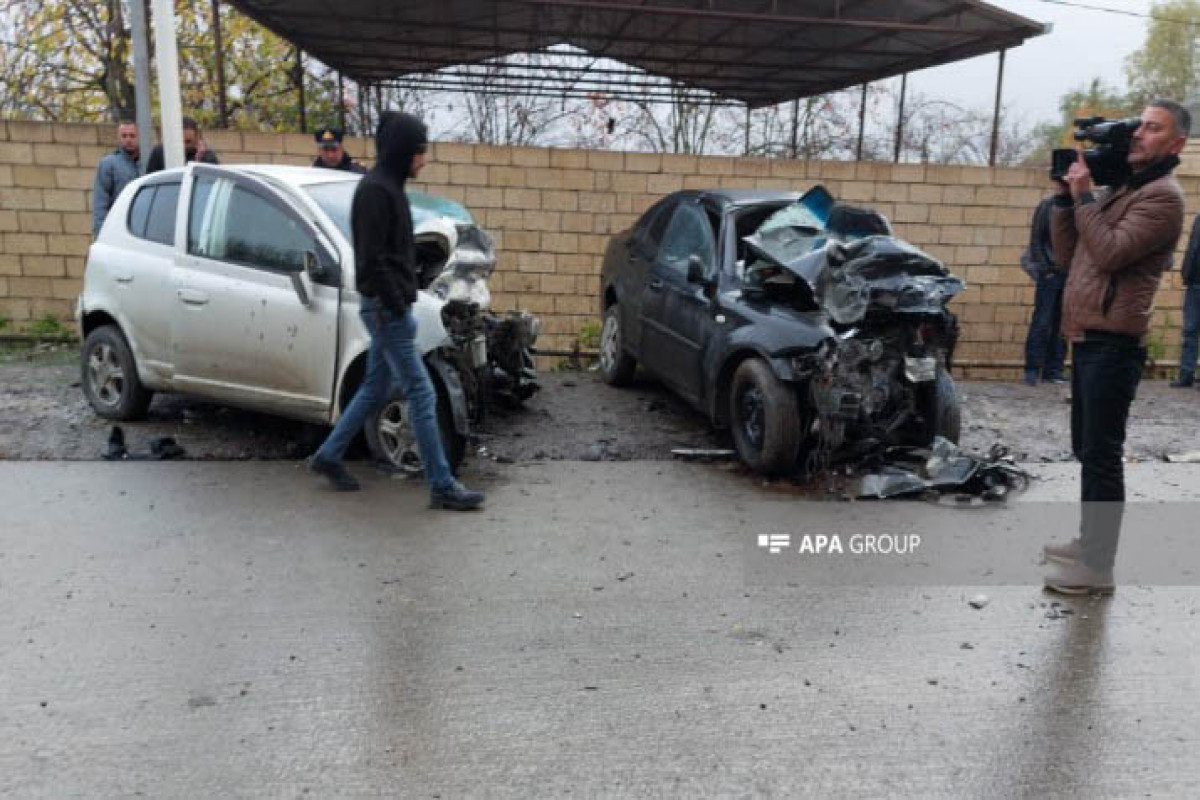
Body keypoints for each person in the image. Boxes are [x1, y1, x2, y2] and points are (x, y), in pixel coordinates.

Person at [1043, 99, 1189, 595]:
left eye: (1153, 128)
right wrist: (1067, 200)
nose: (1140, 134)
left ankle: (1098, 568)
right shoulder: (1121, 191)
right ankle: (1090, 543)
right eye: (1140, 126)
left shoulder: (1164, 198)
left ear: (1177, 144)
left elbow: (1108, 252)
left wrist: (1085, 196)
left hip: (1114, 343)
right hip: (1087, 337)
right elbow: (1070, 255)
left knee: (1102, 454)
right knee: (1088, 449)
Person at [308, 111, 484, 511]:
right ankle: (441, 484)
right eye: (420, 152)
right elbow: (372, 260)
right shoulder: (376, 191)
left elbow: (393, 252)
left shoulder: (388, 187)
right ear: (404, 151)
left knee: (373, 388)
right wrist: (396, 303)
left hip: (389, 308)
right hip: (386, 311)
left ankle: (328, 455)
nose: (424, 160)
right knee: (421, 393)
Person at [1020, 184, 1068, 385]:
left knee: (1062, 323)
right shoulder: (1047, 205)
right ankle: (1032, 369)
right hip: (1050, 272)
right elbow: (1036, 240)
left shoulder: (1080, 205)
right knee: (1042, 320)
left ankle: (1053, 369)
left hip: (1070, 273)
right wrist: (1045, 270)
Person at [92, 118, 140, 237]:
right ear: (119, 138)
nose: (128, 140)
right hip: (118, 227)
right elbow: (100, 202)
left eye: (132, 136)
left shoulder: (148, 162)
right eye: (124, 136)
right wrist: (100, 234)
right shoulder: (109, 164)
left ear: (138, 137)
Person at [1170, 214, 1200, 387]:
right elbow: (1192, 248)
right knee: (1190, 331)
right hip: (1194, 284)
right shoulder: (1198, 219)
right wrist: (1185, 272)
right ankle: (1186, 375)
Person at [145, 117, 219, 174]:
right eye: (180, 142)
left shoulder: (206, 155)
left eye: (188, 142)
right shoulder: (159, 153)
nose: (183, 146)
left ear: (197, 139)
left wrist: (200, 159)